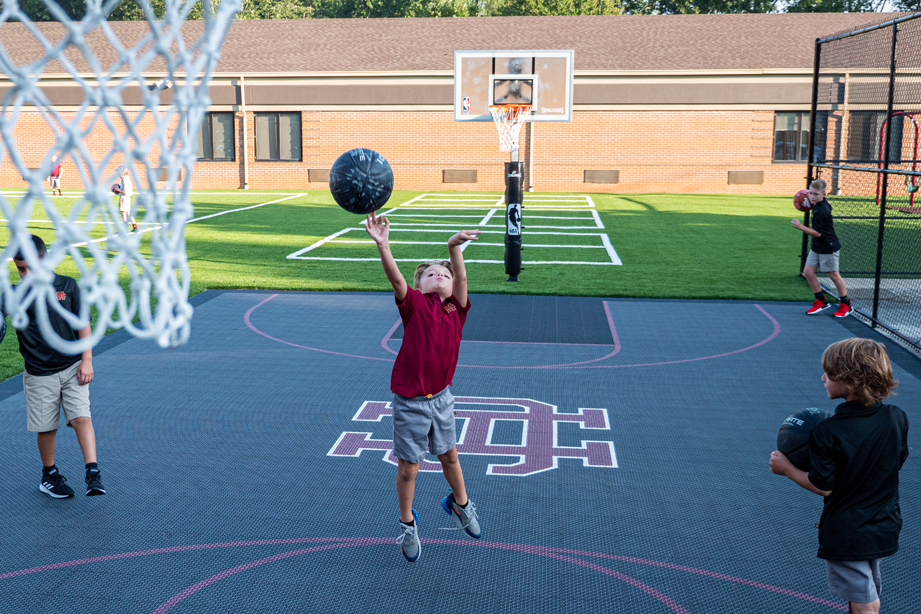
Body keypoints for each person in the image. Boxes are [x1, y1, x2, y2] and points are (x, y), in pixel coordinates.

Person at [364, 211, 482, 562]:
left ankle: (460, 505)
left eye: (444, 274)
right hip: (410, 402)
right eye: (431, 274)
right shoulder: (414, 305)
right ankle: (407, 524)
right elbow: (397, 280)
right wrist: (384, 246)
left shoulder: (456, 309)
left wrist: (453, 248)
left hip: (442, 399)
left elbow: (460, 275)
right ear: (421, 286)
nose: (440, 276)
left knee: (449, 456)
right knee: (409, 467)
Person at [770, 338, 908, 614]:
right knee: (868, 588)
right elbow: (897, 459)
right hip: (885, 521)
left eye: (829, 373)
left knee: (863, 598)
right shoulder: (896, 416)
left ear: (850, 380)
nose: (823, 378)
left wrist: (786, 468)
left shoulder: (827, 431)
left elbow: (823, 486)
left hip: (848, 530)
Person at [3, 234, 106, 498]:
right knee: (47, 427)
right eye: (20, 269)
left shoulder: (67, 286)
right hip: (39, 373)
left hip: (73, 367)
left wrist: (87, 360)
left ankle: (92, 473)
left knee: (81, 417)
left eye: (31, 267)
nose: (26, 274)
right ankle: (49, 475)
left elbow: (83, 325)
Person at [791, 179, 851, 318]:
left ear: (823, 194)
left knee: (833, 276)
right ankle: (820, 301)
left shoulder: (820, 211)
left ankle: (845, 304)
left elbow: (817, 233)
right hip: (817, 246)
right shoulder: (821, 203)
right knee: (808, 272)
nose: (812, 196)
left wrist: (800, 227)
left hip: (827, 246)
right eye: (810, 193)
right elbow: (828, 204)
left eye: (815, 194)